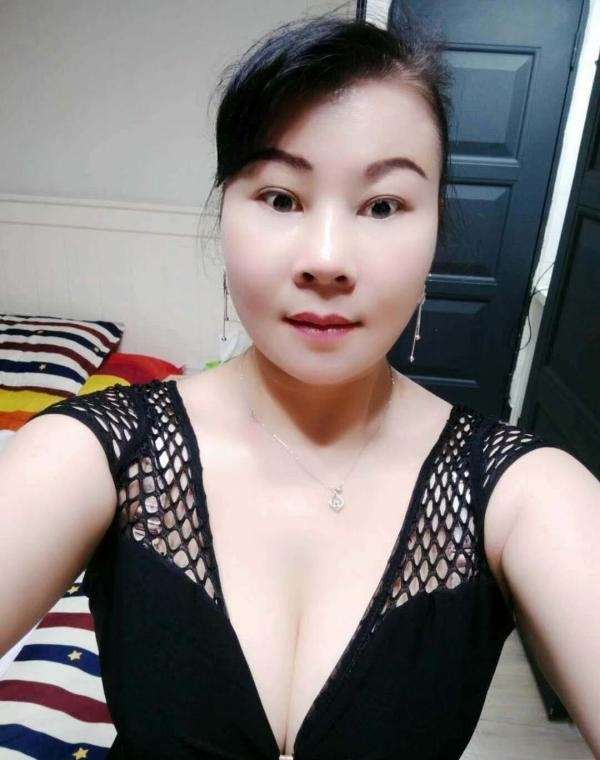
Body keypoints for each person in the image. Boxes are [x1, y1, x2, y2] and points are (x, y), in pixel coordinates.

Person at [1, 11, 599, 760]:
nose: (326, 259)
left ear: (434, 231)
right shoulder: (94, 451)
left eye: (383, 205)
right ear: (226, 211)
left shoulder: (523, 492)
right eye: (281, 198)